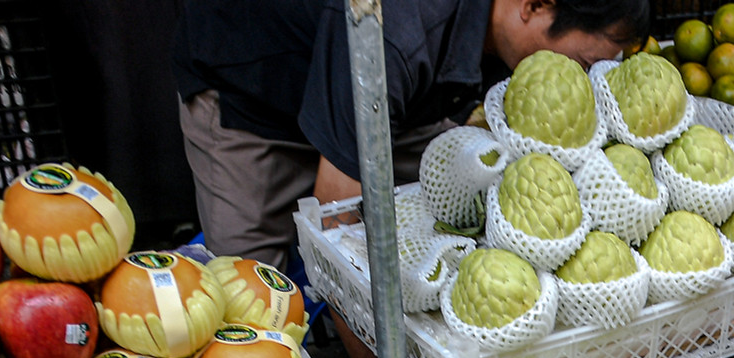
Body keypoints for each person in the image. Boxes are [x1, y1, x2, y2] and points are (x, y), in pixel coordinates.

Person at [173, 0, 643, 268]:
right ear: (536, 5)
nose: (583, 81)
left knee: (461, 186)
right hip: (250, 93)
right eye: (582, 64)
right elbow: (337, 230)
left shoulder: (487, 40)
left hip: (382, 96)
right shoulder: (398, 30)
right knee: (251, 300)